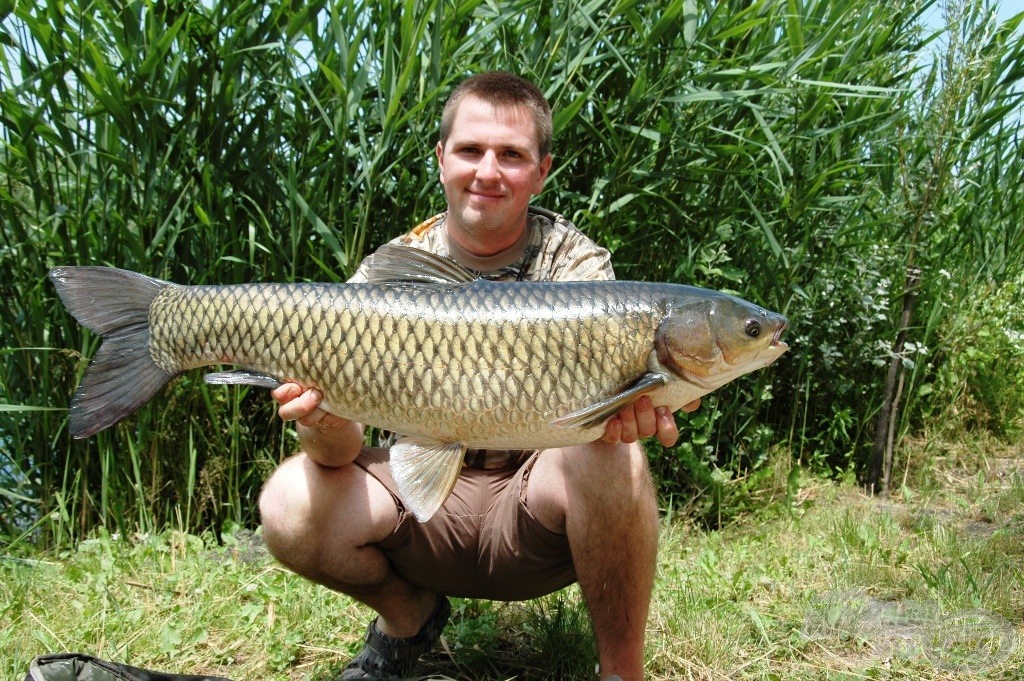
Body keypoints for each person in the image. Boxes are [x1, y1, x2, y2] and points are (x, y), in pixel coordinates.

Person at [258, 71, 699, 681]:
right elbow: (341, 451)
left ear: (540, 171)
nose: (487, 171)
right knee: (286, 500)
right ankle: (408, 616)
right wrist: (319, 418)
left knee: (613, 451)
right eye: (470, 150)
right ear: (441, 160)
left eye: (512, 155)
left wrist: (635, 411)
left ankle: (622, 673)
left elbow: (615, 417)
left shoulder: (580, 270)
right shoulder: (389, 275)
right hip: (421, 505)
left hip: (530, 507)